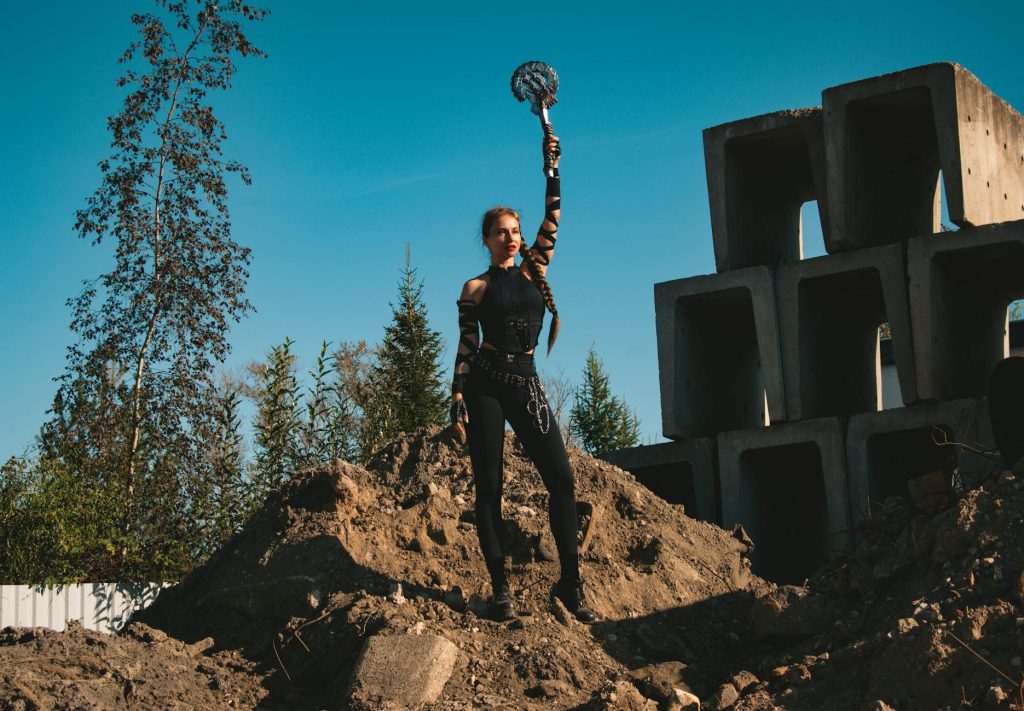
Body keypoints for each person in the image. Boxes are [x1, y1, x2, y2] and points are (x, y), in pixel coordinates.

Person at [450, 129, 595, 623]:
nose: (511, 237)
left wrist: (551, 166)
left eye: (515, 230)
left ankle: (571, 586)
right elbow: (466, 345)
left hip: (527, 386)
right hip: (485, 386)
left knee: (563, 480)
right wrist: (457, 398)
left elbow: (554, 213)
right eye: (501, 232)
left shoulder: (536, 268)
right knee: (489, 488)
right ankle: (501, 592)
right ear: (488, 240)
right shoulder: (475, 287)